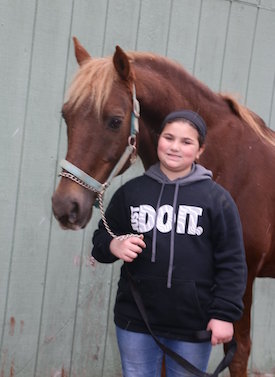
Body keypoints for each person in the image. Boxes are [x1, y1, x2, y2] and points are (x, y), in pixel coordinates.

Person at [91, 110, 247, 377]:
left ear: (200, 150)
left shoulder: (217, 200)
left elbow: (232, 262)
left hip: (193, 324)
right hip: (136, 320)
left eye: (186, 142)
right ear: (158, 140)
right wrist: (113, 245)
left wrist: (224, 314)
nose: (175, 147)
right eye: (169, 137)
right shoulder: (131, 192)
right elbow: (101, 241)